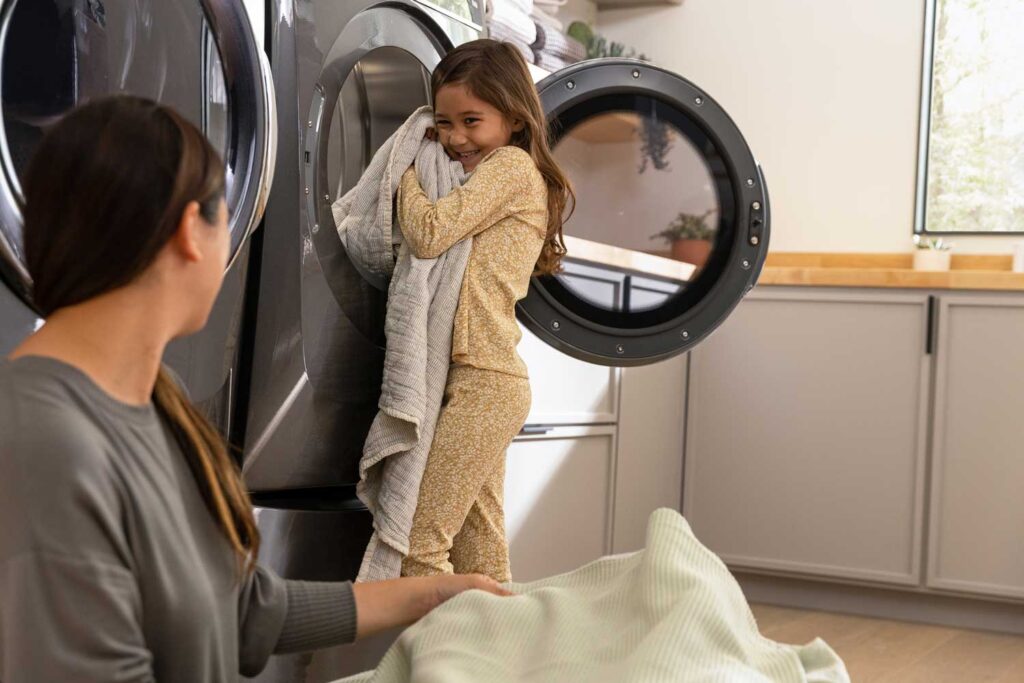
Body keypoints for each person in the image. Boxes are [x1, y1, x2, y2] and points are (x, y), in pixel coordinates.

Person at [0, 95, 507, 682]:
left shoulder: (151, 406)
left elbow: (238, 612)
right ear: (193, 231)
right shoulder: (43, 444)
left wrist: (435, 594)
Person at [398, 39, 574, 581]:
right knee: (482, 555)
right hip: (479, 382)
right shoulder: (485, 174)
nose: (454, 138)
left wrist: (402, 171)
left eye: (471, 120)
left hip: (485, 383)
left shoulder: (512, 168)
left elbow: (428, 233)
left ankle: (440, 668)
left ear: (515, 118)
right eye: (445, 123)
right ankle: (504, 661)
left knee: (417, 550)